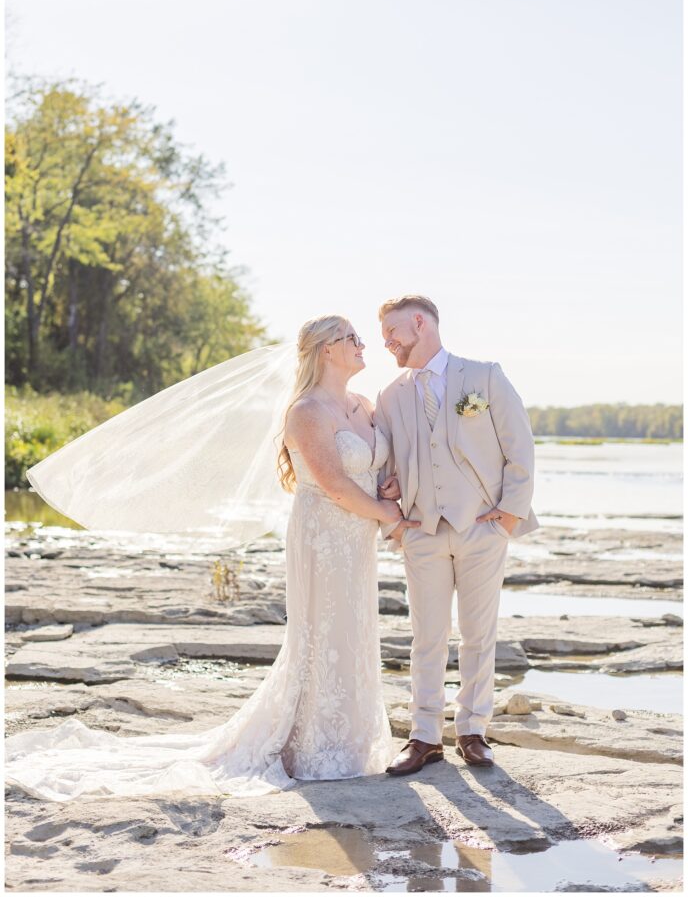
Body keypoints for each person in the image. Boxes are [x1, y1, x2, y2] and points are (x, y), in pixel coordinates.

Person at [6, 314, 418, 802]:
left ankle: (350, 742)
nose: (361, 343)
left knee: (354, 628)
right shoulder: (306, 411)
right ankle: (311, 747)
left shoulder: (363, 404)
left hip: (357, 540)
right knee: (323, 630)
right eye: (351, 337)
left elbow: (374, 466)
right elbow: (333, 484)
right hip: (322, 537)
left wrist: (389, 485)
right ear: (326, 349)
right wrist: (390, 516)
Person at [374, 295, 538, 776]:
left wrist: (509, 516)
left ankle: (473, 731)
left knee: (477, 635)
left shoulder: (484, 377)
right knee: (425, 638)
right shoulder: (390, 396)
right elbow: (386, 469)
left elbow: (520, 450)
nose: (387, 344)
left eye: (392, 333)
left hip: (482, 528)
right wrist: (395, 521)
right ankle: (424, 737)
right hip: (422, 532)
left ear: (420, 323)